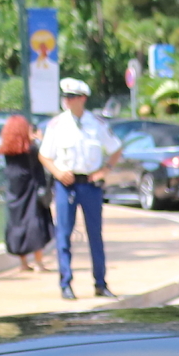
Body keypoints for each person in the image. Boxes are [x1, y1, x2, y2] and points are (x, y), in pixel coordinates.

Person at [38, 76, 121, 299]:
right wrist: (57, 172)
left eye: (72, 96)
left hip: (90, 185)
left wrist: (105, 170)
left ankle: (100, 283)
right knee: (64, 235)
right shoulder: (57, 124)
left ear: (83, 98)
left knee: (95, 235)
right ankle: (66, 283)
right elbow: (44, 155)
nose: (67, 100)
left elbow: (116, 148)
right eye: (65, 96)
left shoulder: (97, 124)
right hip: (67, 185)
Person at [0, 111, 52, 272]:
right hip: (31, 188)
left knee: (17, 223)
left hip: (14, 189)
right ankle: (39, 262)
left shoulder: (8, 149)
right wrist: (39, 140)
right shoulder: (31, 149)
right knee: (34, 222)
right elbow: (44, 159)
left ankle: (23, 263)